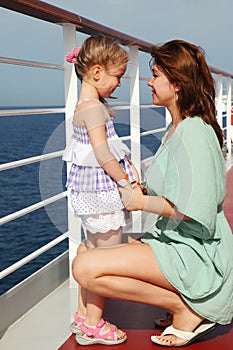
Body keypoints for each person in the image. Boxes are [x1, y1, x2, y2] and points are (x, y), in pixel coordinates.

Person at [72, 39, 233, 347]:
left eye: (156, 74)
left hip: (195, 251)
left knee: (85, 267)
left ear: (177, 84)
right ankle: (89, 321)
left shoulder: (195, 133)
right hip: (175, 239)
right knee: (85, 252)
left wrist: (140, 201)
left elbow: (193, 209)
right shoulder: (177, 127)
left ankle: (184, 308)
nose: (148, 80)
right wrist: (142, 188)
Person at [63, 35, 140, 345]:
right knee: (106, 261)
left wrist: (128, 162)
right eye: (117, 76)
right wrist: (124, 181)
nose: (119, 84)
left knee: (94, 251)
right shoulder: (94, 109)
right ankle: (94, 324)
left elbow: (107, 148)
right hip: (100, 195)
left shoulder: (86, 105)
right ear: (96, 72)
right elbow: (102, 154)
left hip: (88, 194)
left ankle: (83, 314)